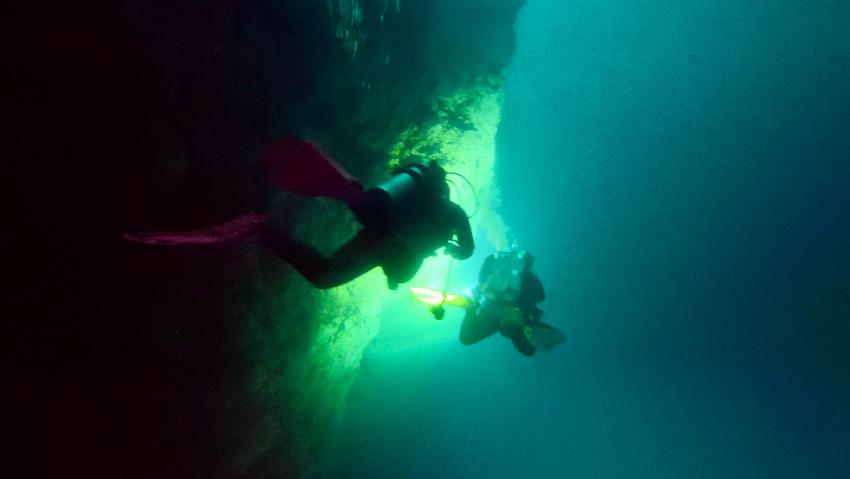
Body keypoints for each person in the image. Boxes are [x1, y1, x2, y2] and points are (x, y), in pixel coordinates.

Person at [124, 136, 474, 290]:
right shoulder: (452, 213)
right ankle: (263, 232)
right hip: (390, 244)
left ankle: (348, 194)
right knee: (328, 276)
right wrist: (457, 249)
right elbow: (466, 249)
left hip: (384, 223)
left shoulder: (442, 208)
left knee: (371, 215)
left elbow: (461, 246)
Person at [456, 250, 563, 356]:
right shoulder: (532, 295)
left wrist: (470, 311)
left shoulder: (494, 321)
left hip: (495, 275)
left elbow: (466, 338)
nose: (516, 318)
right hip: (501, 273)